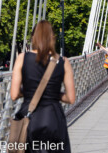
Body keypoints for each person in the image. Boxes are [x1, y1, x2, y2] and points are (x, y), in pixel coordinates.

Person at [10, 20, 75, 152]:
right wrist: (53, 93)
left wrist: (28, 92)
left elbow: (14, 94)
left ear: (33, 37)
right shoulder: (63, 61)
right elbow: (70, 98)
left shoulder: (22, 58)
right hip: (53, 117)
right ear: (53, 38)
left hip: (30, 118)